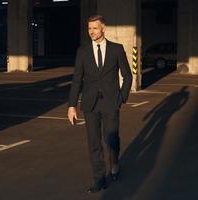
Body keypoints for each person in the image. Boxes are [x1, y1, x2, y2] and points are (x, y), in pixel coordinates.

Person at [67, 15, 132, 193]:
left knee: (111, 140)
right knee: (94, 143)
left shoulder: (116, 50)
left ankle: (115, 163)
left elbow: (127, 75)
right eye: (89, 29)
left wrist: (122, 97)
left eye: (95, 28)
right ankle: (100, 180)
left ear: (103, 28)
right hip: (90, 105)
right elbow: (76, 80)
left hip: (111, 103)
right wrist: (72, 105)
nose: (92, 32)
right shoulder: (83, 51)